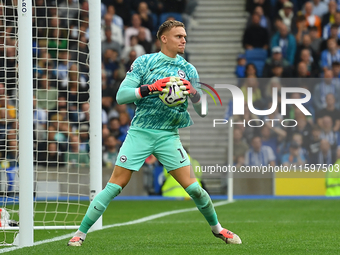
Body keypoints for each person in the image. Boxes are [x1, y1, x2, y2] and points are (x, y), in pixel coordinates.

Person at [67, 20, 242, 246]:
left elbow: (204, 111)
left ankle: (218, 229)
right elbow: (121, 96)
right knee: (113, 187)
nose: (184, 40)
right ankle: (80, 233)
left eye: (185, 36)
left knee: (196, 190)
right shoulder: (144, 62)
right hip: (141, 132)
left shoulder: (188, 69)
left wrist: (194, 93)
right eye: (179, 36)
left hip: (169, 135)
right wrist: (151, 87)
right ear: (164, 38)